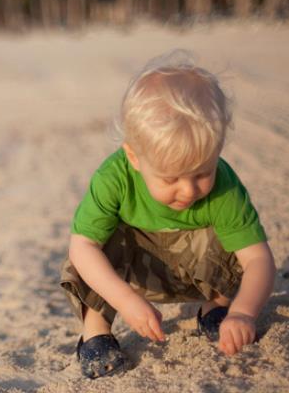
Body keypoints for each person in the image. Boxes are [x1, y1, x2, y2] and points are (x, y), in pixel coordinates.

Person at [59, 49, 276, 379]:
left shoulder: (224, 185)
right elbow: (82, 248)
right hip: (134, 272)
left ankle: (216, 307)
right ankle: (96, 330)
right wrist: (127, 300)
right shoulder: (113, 178)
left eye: (202, 172)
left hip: (195, 270)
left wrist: (245, 312)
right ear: (134, 156)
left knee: (227, 236)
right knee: (92, 245)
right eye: (171, 178)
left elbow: (257, 258)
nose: (188, 190)